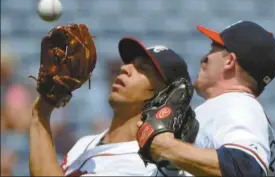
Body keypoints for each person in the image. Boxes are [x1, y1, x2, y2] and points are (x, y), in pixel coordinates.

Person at [29, 36, 192, 176]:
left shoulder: (148, 166)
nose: (124, 68)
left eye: (143, 69)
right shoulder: (84, 144)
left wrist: (41, 114)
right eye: (129, 63)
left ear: (166, 96)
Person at [138, 21, 275, 176]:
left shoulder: (239, 105)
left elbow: (244, 168)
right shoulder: (234, 107)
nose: (204, 58)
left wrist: (167, 146)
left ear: (229, 62)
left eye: (212, 49)